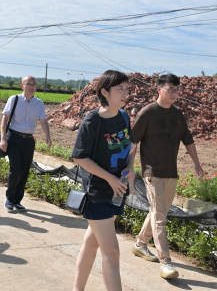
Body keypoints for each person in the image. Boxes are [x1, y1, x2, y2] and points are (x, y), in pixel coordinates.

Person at [130, 73, 205, 279]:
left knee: (158, 212)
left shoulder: (178, 115)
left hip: (171, 173)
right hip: (152, 172)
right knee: (160, 218)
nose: (174, 93)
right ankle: (165, 262)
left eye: (177, 90)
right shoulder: (147, 113)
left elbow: (188, 141)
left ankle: (140, 244)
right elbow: (133, 142)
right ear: (159, 89)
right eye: (170, 89)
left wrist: (197, 164)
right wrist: (129, 168)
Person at [72, 70, 136, 291]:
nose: (125, 93)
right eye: (120, 89)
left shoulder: (124, 117)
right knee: (112, 252)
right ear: (105, 92)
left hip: (118, 190)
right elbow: (79, 157)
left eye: (127, 89)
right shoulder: (93, 121)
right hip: (97, 192)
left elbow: (131, 146)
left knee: (92, 243)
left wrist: (130, 167)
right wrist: (109, 177)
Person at [0, 76, 52, 212]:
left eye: (34, 84)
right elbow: (5, 118)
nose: (32, 87)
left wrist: (48, 136)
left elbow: (43, 121)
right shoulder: (14, 99)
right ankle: (9, 198)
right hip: (14, 138)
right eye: (29, 84)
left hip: (29, 140)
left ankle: (17, 201)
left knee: (24, 171)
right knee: (16, 169)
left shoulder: (39, 103)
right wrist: (3, 138)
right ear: (22, 86)